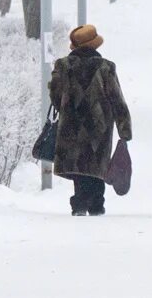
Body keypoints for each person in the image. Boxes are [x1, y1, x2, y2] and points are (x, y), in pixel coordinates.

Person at [49, 24, 133, 216]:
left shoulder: (62, 66)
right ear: (95, 45)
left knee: (78, 165)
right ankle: (96, 204)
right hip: (99, 125)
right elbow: (116, 99)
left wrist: (66, 107)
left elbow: (55, 95)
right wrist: (124, 129)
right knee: (97, 163)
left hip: (71, 124)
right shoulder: (106, 67)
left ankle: (79, 204)